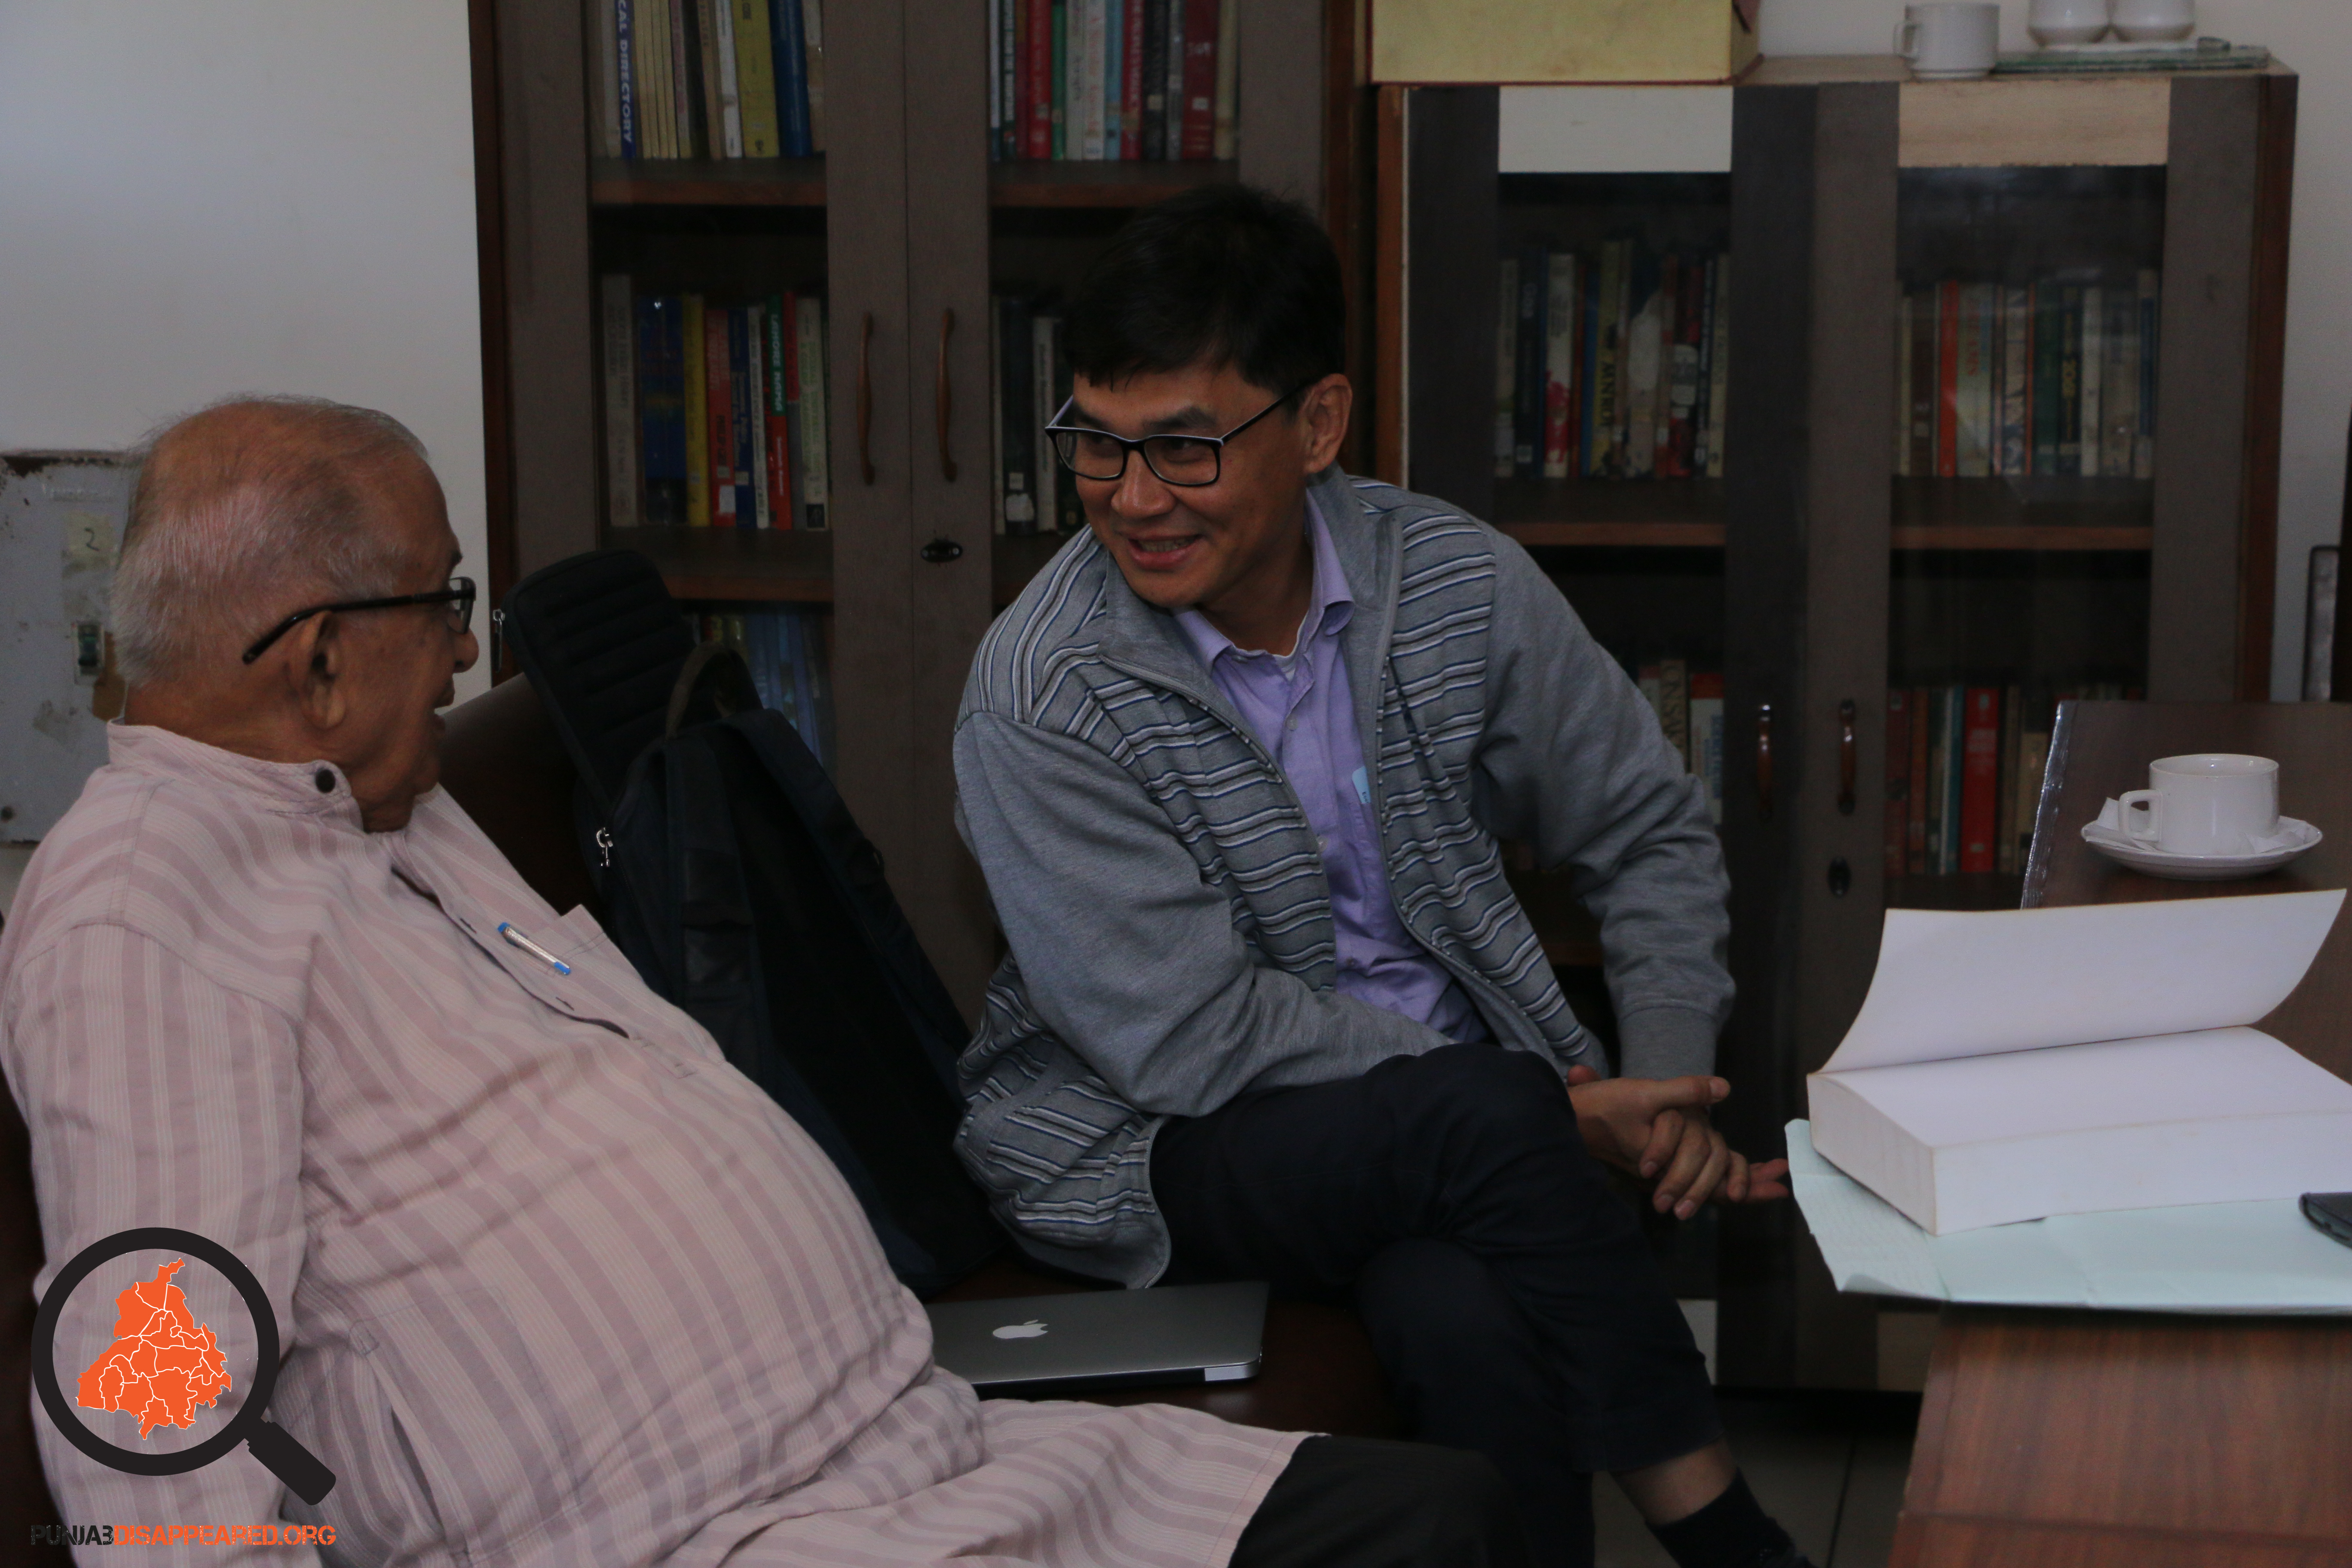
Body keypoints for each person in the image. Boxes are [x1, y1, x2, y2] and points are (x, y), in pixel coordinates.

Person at [1, 395, 1531, 1568]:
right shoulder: (142, 915)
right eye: (443, 605)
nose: (464, 655)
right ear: (320, 661)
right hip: (713, 1538)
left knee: (1449, 1515)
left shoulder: (383, 807)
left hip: (914, 1456)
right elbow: (154, 1395)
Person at [952, 186, 1807, 1568]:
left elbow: (1647, 829)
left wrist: (1661, 1084)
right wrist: (1549, 1113)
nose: (1134, 499)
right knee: (1487, 1111)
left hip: (1461, 1139)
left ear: (1319, 425)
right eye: (1098, 445)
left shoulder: (1454, 582)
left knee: (1455, 1312)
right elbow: (1188, 1039)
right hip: (1158, 1141)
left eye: (1184, 447)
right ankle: (1734, 1547)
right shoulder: (1045, 691)